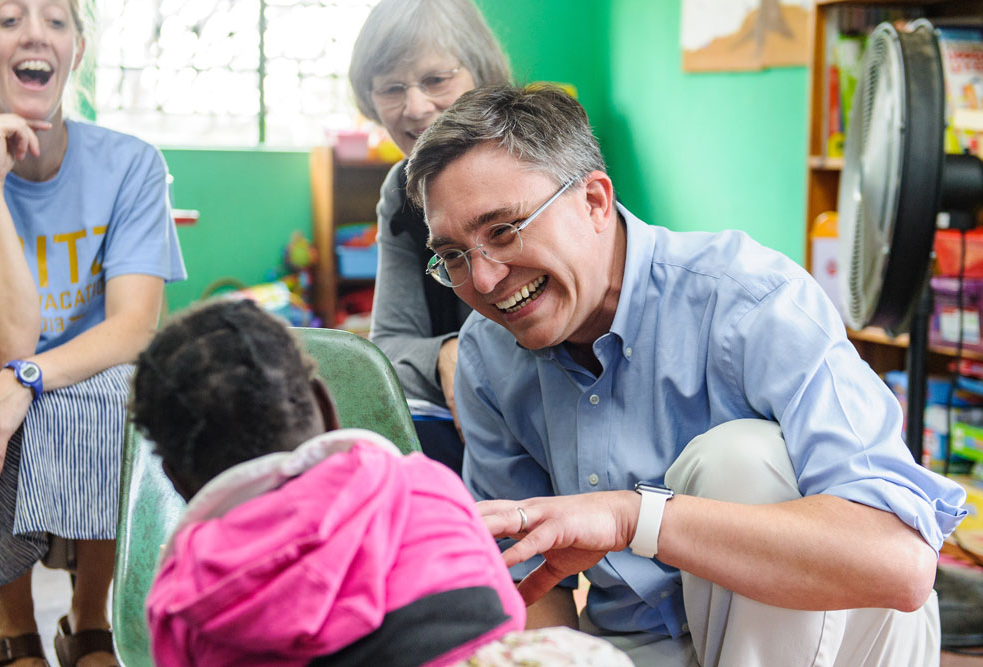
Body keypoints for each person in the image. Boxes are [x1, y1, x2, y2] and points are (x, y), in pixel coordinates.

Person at [404, 84, 969, 666]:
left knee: (739, 458)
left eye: (503, 231)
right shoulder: (485, 353)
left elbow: (898, 562)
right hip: (642, 647)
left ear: (595, 202)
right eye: (453, 255)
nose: (486, 279)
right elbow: (529, 582)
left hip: (836, 636)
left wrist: (633, 517)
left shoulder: (751, 302)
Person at [132, 299, 633, 667]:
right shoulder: (424, 485)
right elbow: (499, 611)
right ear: (327, 408)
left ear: (174, 479)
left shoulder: (182, 587)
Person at [0, 0, 186, 664]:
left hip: (86, 371)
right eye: (9, 18)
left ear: (78, 47)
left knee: (121, 392)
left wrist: (30, 376)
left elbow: (133, 326)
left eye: (55, 20)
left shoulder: (130, 164)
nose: (34, 33)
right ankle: (15, 631)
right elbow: (5, 345)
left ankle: (90, 620)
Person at [348, 0, 509, 473]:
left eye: (437, 80)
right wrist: (443, 352)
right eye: (392, 88)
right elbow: (386, 349)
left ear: (479, 72)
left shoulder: (529, 165)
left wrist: (473, 354)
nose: (416, 107)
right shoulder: (400, 190)